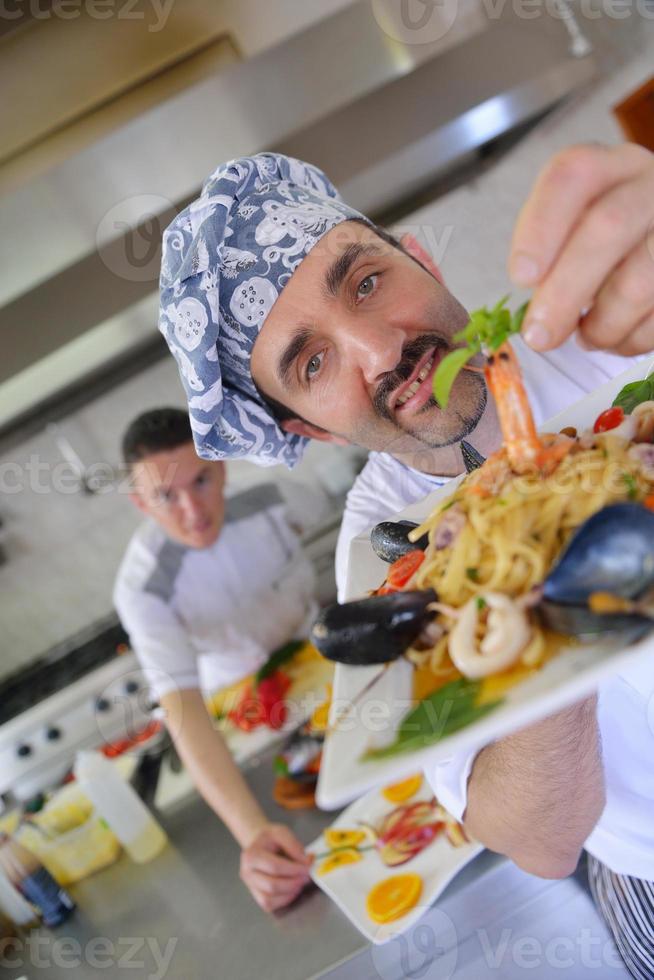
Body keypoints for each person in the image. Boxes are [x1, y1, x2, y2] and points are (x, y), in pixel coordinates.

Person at [158, 147, 654, 977]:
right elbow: (539, 843)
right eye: (312, 364)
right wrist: (529, 623)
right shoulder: (384, 554)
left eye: (364, 282)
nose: (378, 350)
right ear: (307, 431)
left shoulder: (620, 323)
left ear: (417, 256)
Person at [113, 407, 316, 912]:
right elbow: (182, 709)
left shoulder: (275, 492)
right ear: (141, 503)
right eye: (166, 496)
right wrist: (254, 834)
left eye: (201, 480)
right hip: (251, 715)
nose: (193, 510)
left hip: (327, 665)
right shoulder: (143, 588)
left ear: (222, 467)